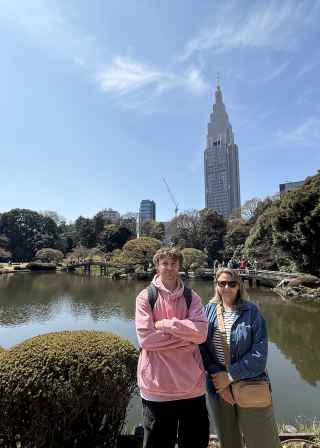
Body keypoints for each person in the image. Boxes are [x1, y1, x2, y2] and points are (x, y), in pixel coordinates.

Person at [135, 247, 209, 448]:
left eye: (173, 263)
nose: (169, 268)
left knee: (194, 442)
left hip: (191, 386)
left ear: (179, 266)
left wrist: (167, 325)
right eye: (164, 263)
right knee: (158, 442)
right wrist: (187, 336)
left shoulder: (191, 297)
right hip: (157, 386)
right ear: (157, 266)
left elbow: (201, 334)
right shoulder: (145, 297)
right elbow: (146, 340)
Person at [200, 268, 280, 448]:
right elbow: (202, 347)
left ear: (239, 286)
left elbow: (259, 355)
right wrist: (217, 376)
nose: (226, 287)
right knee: (228, 440)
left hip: (250, 383)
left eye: (231, 283)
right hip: (218, 386)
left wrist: (229, 376)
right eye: (222, 283)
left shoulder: (252, 311)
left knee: (262, 440)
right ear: (216, 286)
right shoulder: (208, 311)